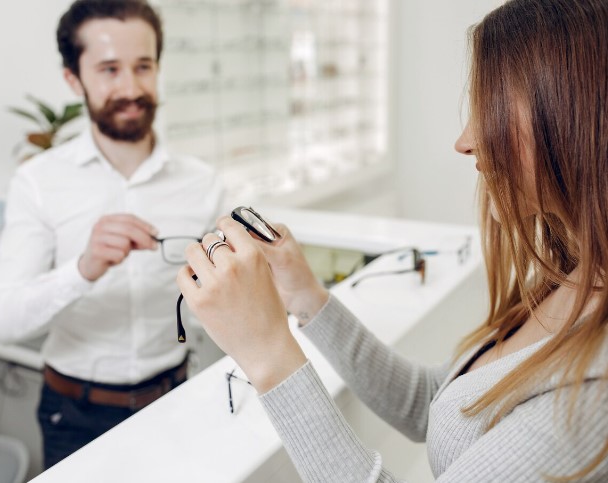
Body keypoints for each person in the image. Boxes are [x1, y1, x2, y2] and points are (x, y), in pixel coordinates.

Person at [177, 0, 608, 480]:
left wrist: (268, 354)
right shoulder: (573, 278)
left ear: (576, 117)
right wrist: (304, 294)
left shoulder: (595, 395)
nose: (464, 140)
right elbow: (431, 403)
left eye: (494, 108)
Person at [0, 0, 224, 469]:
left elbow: (225, 301)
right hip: (74, 416)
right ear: (73, 79)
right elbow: (2, 321)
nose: (131, 88)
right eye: (109, 69)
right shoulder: (37, 181)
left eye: (144, 66)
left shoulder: (202, 183)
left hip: (176, 401)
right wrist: (83, 269)